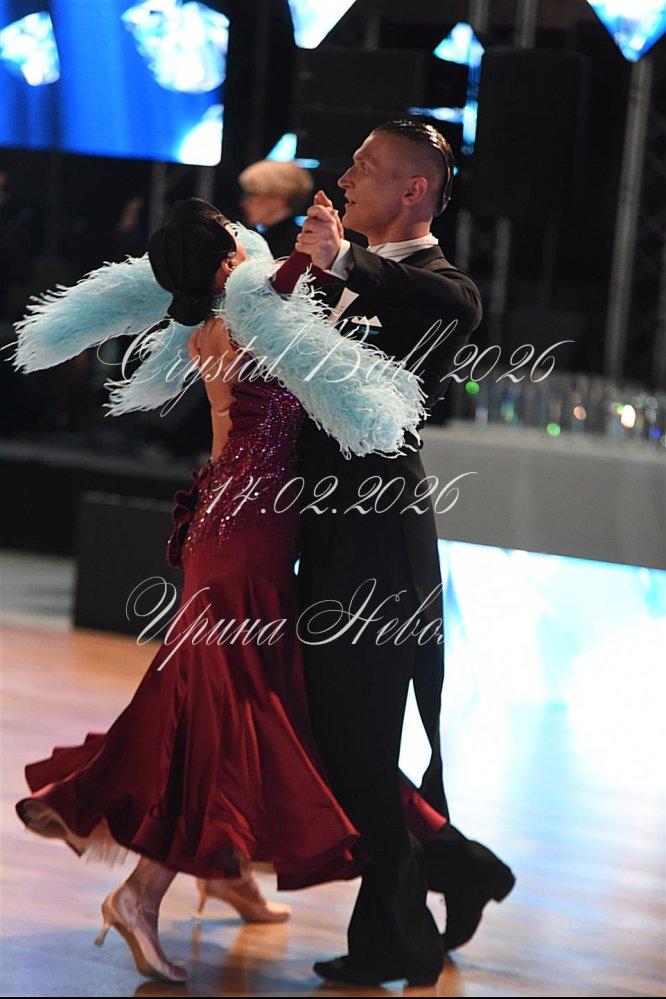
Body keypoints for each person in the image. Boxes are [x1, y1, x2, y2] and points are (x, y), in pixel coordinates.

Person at [13, 198, 452, 986]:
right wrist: (324, 240)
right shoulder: (253, 309)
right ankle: (143, 893)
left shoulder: (210, 324)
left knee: (232, 706)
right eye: (231, 240)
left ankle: (222, 868)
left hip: (228, 525)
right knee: (227, 712)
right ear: (224, 261)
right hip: (247, 536)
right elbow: (295, 285)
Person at [293, 120, 515, 986]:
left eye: (366, 166)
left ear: (413, 190)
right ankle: (456, 863)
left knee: (355, 738)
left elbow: (451, 305)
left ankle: (399, 940)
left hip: (380, 536)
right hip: (320, 525)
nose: (346, 177)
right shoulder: (346, 272)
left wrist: (344, 261)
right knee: (332, 735)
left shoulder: (436, 285)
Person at [238, 159, 313, 259]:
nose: (244, 202)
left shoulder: (301, 245)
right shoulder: (263, 239)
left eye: (251, 194)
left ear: (278, 197)